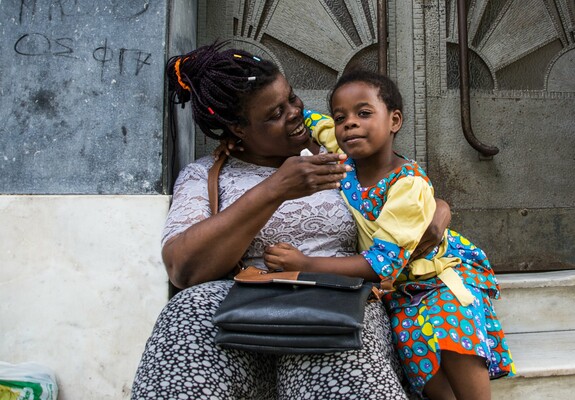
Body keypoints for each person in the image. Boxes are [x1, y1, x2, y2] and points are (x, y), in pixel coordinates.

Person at [131, 41, 451, 399]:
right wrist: (274, 189)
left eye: (292, 98)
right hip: (237, 310)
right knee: (184, 326)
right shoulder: (206, 175)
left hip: (336, 301)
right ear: (238, 129)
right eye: (274, 114)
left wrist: (438, 207)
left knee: (342, 370)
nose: (295, 113)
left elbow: (401, 185)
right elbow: (182, 269)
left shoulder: (340, 151)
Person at [263, 69, 516, 400]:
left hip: (434, 278)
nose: (349, 123)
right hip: (398, 292)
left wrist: (305, 263)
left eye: (364, 113)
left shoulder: (407, 184)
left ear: (394, 120)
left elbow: (382, 263)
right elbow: (309, 121)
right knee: (418, 358)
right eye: (342, 118)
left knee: (450, 330)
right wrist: (237, 132)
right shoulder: (343, 159)